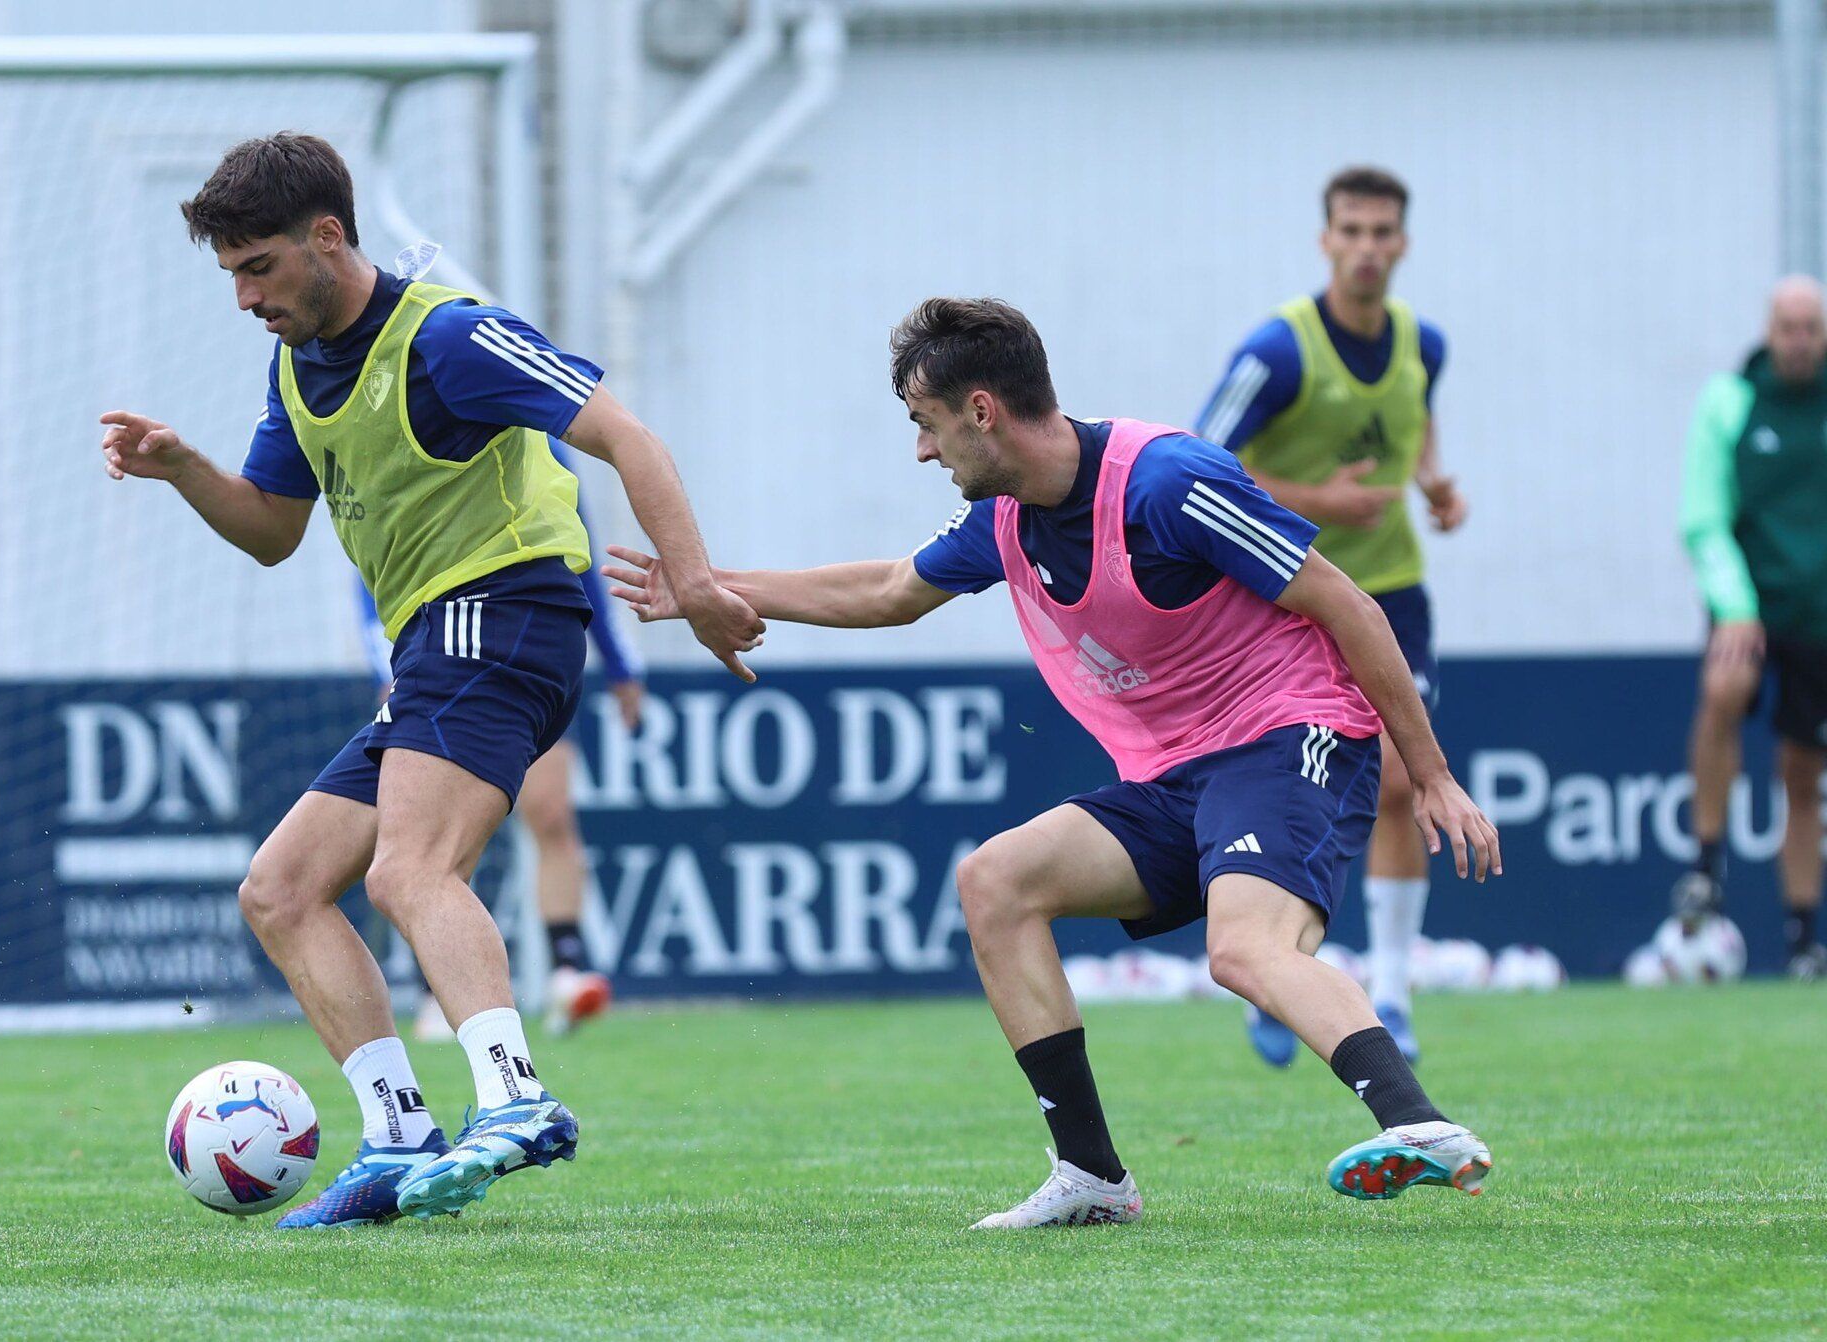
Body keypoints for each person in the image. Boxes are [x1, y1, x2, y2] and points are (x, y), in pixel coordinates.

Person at [606, 297, 1500, 1227]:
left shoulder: (1167, 482)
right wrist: (707, 589)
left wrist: (1430, 773)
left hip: (1288, 735)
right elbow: (886, 591)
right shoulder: (1005, 518)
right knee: (995, 883)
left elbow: (1348, 603)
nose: (922, 452)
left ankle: (1420, 1125)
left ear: (983, 411)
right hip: (1173, 776)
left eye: (927, 425)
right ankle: (1092, 1180)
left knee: (1244, 949)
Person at [99, 132, 759, 1228]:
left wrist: (691, 585)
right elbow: (269, 531)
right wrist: (183, 470)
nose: (244, 296)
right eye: (229, 274)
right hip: (431, 647)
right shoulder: (295, 366)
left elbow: (628, 437)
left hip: (503, 612)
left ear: (328, 237)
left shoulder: (449, 339)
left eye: (257, 266)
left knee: (410, 869)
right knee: (281, 888)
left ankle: (515, 1097)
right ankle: (400, 1131)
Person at [1196, 165, 1460, 1066]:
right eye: (1351, 231)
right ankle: (1278, 968)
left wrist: (1431, 481)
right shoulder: (1277, 352)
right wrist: (1318, 499)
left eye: (1383, 233)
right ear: (1325, 241)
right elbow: (1197, 465)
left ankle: (1391, 986)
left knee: (1395, 782)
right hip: (1285, 600)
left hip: (1392, 594)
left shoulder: (1424, 343)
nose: (1367, 249)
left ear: (1403, 244)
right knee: (1296, 795)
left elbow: (1416, 419)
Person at [354, 442, 646, 1041]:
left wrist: (619, 666)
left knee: (552, 815)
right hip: (441, 658)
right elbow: (370, 559)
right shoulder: (406, 428)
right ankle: (438, 991)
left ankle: (568, 969)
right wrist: (384, 667)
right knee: (443, 841)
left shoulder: (544, 441)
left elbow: (579, 553)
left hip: (528, 656)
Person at [1676, 275, 1827, 978]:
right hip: (1751, 604)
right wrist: (1735, 604)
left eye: (1811, 327)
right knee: (1725, 687)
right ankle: (1707, 863)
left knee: (1802, 770)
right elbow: (1704, 514)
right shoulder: (1731, 401)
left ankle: (1801, 937)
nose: (1799, 340)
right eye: (1788, 327)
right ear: (1770, 330)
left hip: (1818, 616)